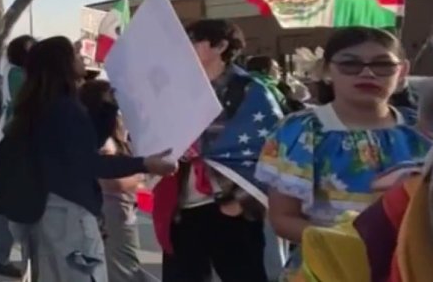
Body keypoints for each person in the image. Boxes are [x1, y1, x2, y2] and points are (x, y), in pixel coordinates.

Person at [256, 26, 431, 279]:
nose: (367, 73)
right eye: (350, 65)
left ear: (402, 71)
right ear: (327, 70)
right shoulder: (301, 131)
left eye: (382, 65)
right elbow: (283, 217)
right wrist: (348, 243)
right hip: (330, 268)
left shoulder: (422, 131)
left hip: (409, 267)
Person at [7, 36, 176, 282]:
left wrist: (107, 108)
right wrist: (145, 164)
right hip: (68, 215)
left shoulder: (35, 107)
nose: (81, 58)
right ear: (62, 63)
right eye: (74, 55)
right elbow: (89, 162)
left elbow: (80, 146)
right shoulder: (65, 108)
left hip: (42, 212)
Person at [154, 19, 283, 282]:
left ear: (220, 46)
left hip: (229, 205)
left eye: (193, 41)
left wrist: (242, 202)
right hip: (183, 206)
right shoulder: (179, 91)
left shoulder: (250, 91)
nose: (185, 48)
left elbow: (277, 153)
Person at [80, 79, 153, 282]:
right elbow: (112, 181)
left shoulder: (108, 136)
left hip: (120, 211)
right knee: (123, 269)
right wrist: (144, 172)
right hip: (113, 214)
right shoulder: (104, 140)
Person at [0, 35, 36, 279]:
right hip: (15, 148)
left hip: (15, 145)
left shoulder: (17, 73)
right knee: (9, 205)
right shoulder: (17, 74)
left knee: (9, 205)